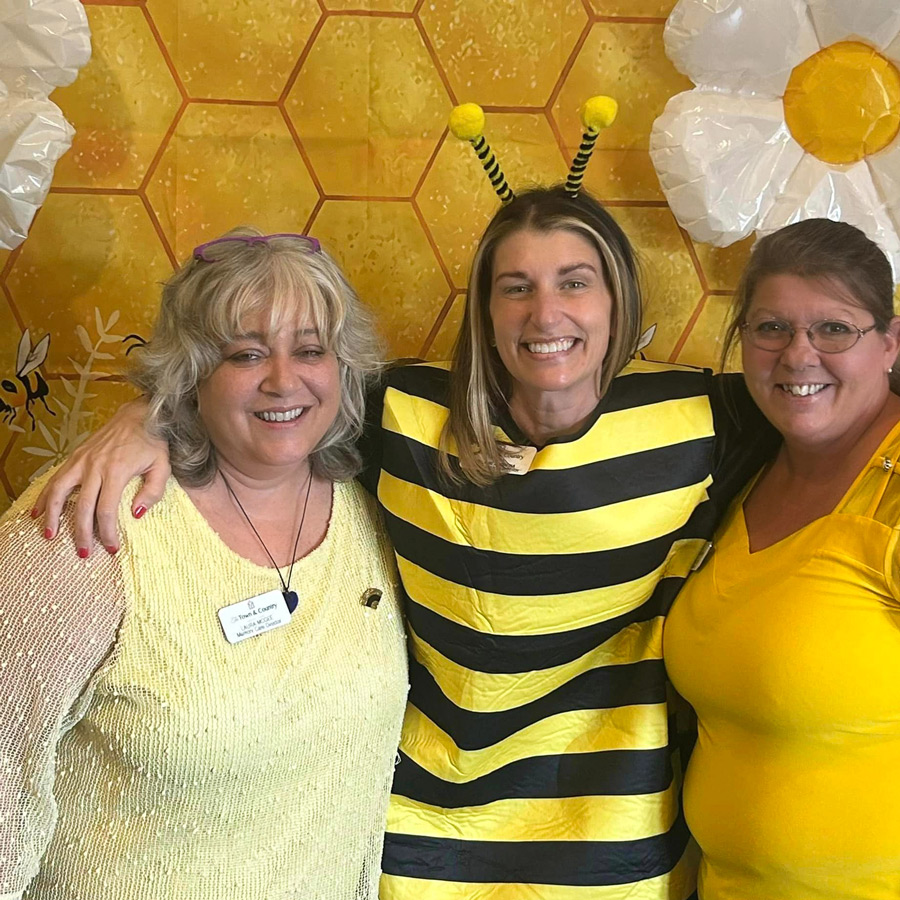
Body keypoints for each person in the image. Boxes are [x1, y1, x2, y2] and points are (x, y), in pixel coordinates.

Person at [33, 186, 773, 898]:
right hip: (425, 842)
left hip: (611, 846)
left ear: (618, 300)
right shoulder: (405, 414)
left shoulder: (702, 419)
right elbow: (267, 400)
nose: (546, 312)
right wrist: (143, 418)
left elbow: (836, 396)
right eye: (515, 287)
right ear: (484, 310)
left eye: (574, 283)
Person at [0, 228, 409, 900]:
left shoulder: (377, 515)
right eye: (245, 353)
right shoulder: (87, 524)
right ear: (191, 372)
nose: (284, 380)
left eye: (310, 349)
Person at [664, 219, 900, 899]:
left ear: (889, 344)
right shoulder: (744, 471)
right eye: (771, 329)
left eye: (834, 330)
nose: (799, 356)